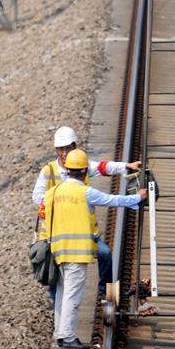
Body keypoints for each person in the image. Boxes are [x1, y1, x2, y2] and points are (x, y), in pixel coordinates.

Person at [43, 149, 147, 349]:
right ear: (83, 172)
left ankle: (60, 333)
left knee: (63, 294)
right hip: (77, 252)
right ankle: (68, 336)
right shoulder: (85, 192)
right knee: (73, 296)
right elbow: (113, 200)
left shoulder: (52, 193)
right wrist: (137, 198)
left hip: (56, 252)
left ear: (67, 171)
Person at [32, 126, 141, 299]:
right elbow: (37, 197)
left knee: (105, 254)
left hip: (84, 234)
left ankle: (109, 297)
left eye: (68, 148)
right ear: (56, 149)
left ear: (75, 146)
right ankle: (56, 307)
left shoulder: (81, 165)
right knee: (54, 273)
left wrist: (126, 166)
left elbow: (104, 167)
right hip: (56, 235)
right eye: (61, 148)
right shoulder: (48, 171)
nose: (64, 152)